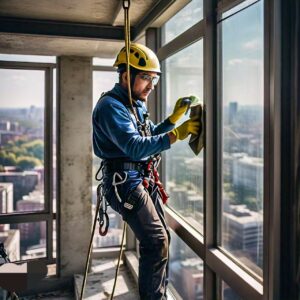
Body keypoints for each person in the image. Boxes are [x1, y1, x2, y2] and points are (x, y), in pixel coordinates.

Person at [92, 43, 201, 299]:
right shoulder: (111, 106)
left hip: (138, 179)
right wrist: (177, 133)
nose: (151, 85)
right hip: (123, 183)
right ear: (126, 75)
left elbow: (148, 134)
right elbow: (135, 147)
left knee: (162, 239)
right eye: (146, 78)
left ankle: (157, 295)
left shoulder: (135, 104)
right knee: (156, 242)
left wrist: (172, 120)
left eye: (154, 79)